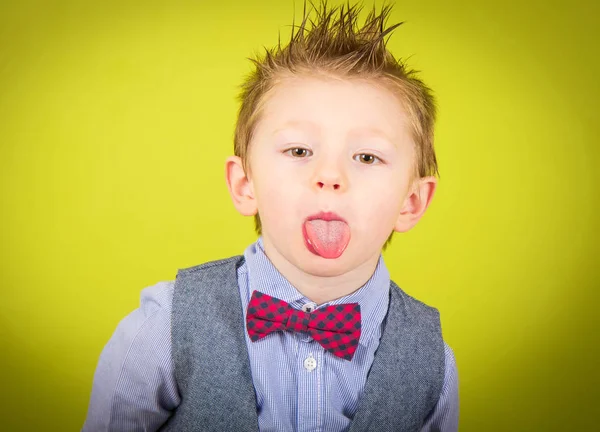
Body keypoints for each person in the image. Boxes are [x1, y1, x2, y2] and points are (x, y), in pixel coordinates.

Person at [83, 2, 459, 431]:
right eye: (299, 151)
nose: (330, 176)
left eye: (367, 156)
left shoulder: (433, 363)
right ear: (245, 184)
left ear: (411, 203)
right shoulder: (162, 330)